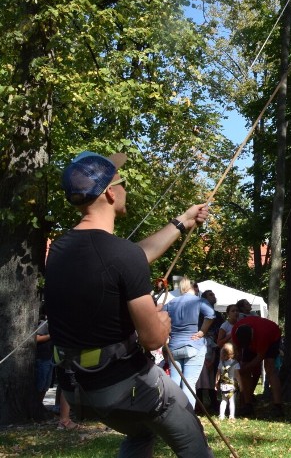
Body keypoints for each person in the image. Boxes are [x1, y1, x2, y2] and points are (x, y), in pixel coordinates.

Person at [45, 150, 213, 457]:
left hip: (77, 389)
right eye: (121, 183)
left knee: (141, 429)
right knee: (190, 432)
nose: (124, 189)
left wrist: (182, 222)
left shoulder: (60, 250)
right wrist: (162, 323)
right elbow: (152, 340)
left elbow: (130, 258)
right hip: (122, 387)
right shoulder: (121, 255)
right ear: (110, 193)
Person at [164, 277, 214, 410]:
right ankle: (188, 415)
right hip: (193, 345)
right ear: (194, 288)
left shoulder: (172, 302)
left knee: (174, 383)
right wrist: (202, 331)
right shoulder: (199, 301)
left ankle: (172, 413)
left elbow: (159, 316)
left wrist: (167, 333)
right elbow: (211, 314)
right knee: (189, 384)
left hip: (174, 346)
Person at [231, 315, 283, 415]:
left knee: (269, 368)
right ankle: (247, 405)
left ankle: (278, 406)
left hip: (272, 337)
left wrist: (243, 370)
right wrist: (237, 368)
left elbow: (259, 358)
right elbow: (236, 352)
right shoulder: (235, 332)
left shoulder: (263, 334)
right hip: (257, 336)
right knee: (244, 369)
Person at [216, 343, 240, 420]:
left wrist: (216, 384)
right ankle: (232, 416)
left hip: (223, 385)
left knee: (223, 401)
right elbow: (237, 376)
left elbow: (218, 375)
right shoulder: (236, 363)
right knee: (232, 401)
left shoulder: (221, 363)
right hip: (232, 386)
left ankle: (221, 415)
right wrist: (241, 384)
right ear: (233, 353)